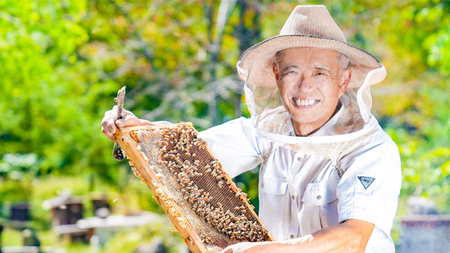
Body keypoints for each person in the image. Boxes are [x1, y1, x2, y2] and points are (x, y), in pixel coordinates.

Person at [102, 5, 401, 253]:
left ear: (344, 79)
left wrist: (266, 251)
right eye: (292, 72)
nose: (305, 86)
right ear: (276, 75)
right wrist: (138, 128)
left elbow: (354, 239)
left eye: (320, 73)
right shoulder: (268, 131)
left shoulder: (372, 151)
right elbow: (188, 154)